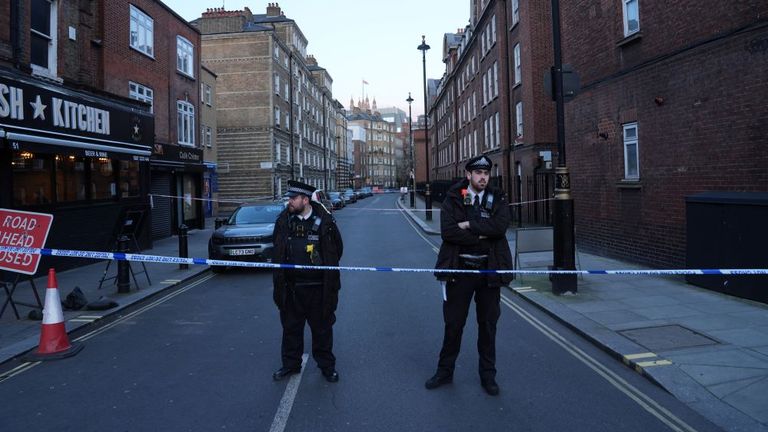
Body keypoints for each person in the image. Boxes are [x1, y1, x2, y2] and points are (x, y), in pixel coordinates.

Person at [426, 154, 513, 396]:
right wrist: (482, 235)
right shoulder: (454, 197)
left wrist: (470, 226)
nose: (483, 177)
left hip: (488, 271)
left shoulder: (498, 197)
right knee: (453, 324)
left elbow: (500, 227)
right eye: (478, 173)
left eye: (486, 173)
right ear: (469, 175)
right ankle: (445, 371)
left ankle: (488, 376)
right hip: (460, 271)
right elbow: (449, 233)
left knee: (487, 326)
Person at [272, 180, 344, 383]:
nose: (290, 202)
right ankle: (290, 364)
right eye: (289, 198)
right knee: (291, 329)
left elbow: (337, 249)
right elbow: (277, 247)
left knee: (322, 331)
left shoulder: (326, 222)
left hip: (318, 289)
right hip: (292, 288)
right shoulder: (283, 221)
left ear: (305, 200)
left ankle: (327, 367)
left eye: (293, 199)